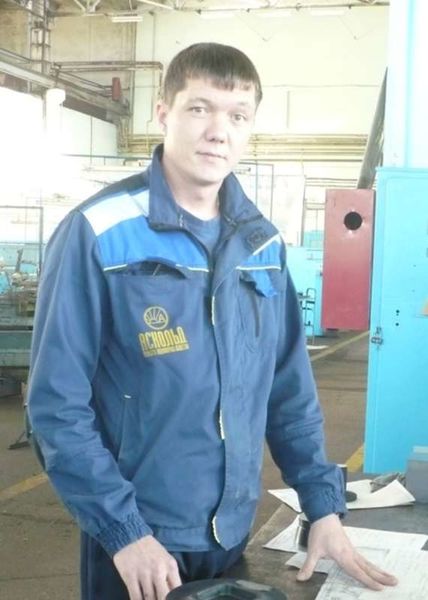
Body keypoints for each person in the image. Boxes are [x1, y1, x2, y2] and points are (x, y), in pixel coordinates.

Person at [27, 43, 397, 600]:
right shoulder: (99, 232)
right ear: (163, 113)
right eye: (199, 108)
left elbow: (288, 391)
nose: (218, 132)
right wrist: (124, 532)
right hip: (139, 541)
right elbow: (56, 405)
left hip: (230, 531)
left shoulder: (262, 244)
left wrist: (322, 507)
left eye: (237, 116)